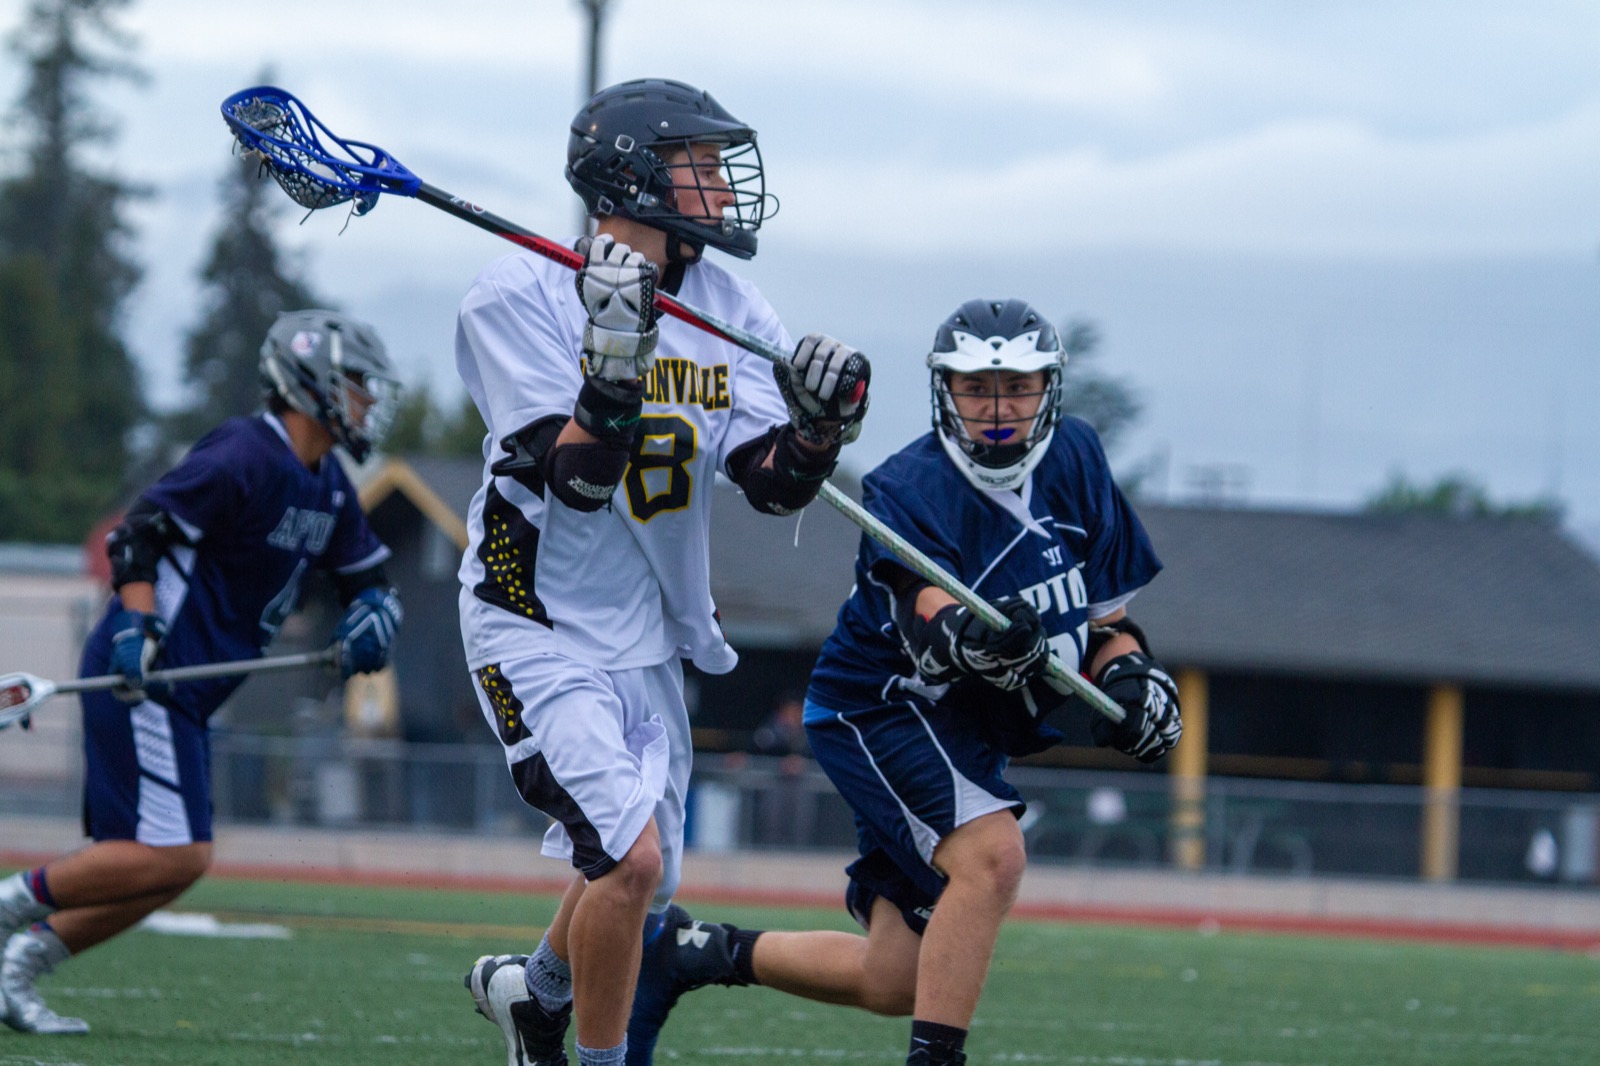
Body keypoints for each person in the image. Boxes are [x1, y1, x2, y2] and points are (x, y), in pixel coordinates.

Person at [622, 298, 1183, 1066]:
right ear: (942, 391)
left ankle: (687, 954)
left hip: (969, 733)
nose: (996, 409)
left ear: (1048, 390)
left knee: (896, 978)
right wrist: (976, 638)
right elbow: (931, 618)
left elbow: (1109, 627)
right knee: (994, 856)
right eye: (975, 388)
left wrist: (1132, 682)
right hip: (883, 707)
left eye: (1016, 387)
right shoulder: (907, 488)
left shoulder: (1077, 460)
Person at [454, 78, 869, 1066]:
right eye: (700, 165)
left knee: (642, 875)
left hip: (647, 632)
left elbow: (768, 487)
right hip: (535, 619)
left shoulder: (728, 304)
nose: (723, 188)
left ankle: (534, 991)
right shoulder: (515, 295)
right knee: (630, 860)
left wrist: (814, 432)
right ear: (633, 174)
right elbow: (577, 480)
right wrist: (612, 369)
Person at [0, 310, 404, 1036]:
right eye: (355, 385)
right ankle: (9, 916)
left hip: (189, 694)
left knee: (162, 865)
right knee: (176, 852)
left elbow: (370, 577)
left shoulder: (331, 486)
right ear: (311, 384)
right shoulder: (246, 453)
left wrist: (374, 617)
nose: (368, 401)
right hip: (149, 678)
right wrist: (134, 622)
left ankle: (20, 965)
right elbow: (139, 534)